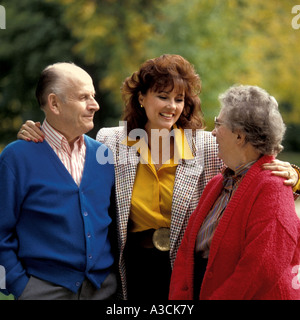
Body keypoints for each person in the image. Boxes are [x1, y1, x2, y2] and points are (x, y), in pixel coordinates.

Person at [16, 55, 300, 300]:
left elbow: (252, 163)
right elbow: (70, 159)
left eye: (179, 99)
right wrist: (38, 134)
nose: (171, 106)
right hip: (133, 264)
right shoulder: (111, 141)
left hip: (187, 266)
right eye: (162, 96)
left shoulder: (207, 145)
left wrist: (295, 175)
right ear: (141, 97)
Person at [169, 85, 300, 300]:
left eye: (219, 124)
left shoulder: (273, 187)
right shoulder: (218, 184)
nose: (212, 131)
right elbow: (186, 254)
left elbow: (260, 270)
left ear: (240, 136)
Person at [0, 63, 117, 300]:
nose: (95, 105)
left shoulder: (104, 156)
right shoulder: (16, 158)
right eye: (84, 97)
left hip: (103, 289)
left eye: (93, 96)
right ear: (54, 103)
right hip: (42, 290)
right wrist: (20, 286)